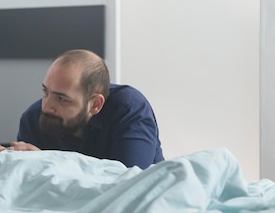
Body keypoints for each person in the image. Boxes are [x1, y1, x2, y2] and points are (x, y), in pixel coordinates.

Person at [12, 49, 164, 169]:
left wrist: (48, 164)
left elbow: (128, 185)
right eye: (46, 92)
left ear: (95, 104)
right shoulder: (33, 119)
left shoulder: (129, 109)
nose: (46, 107)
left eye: (61, 98)